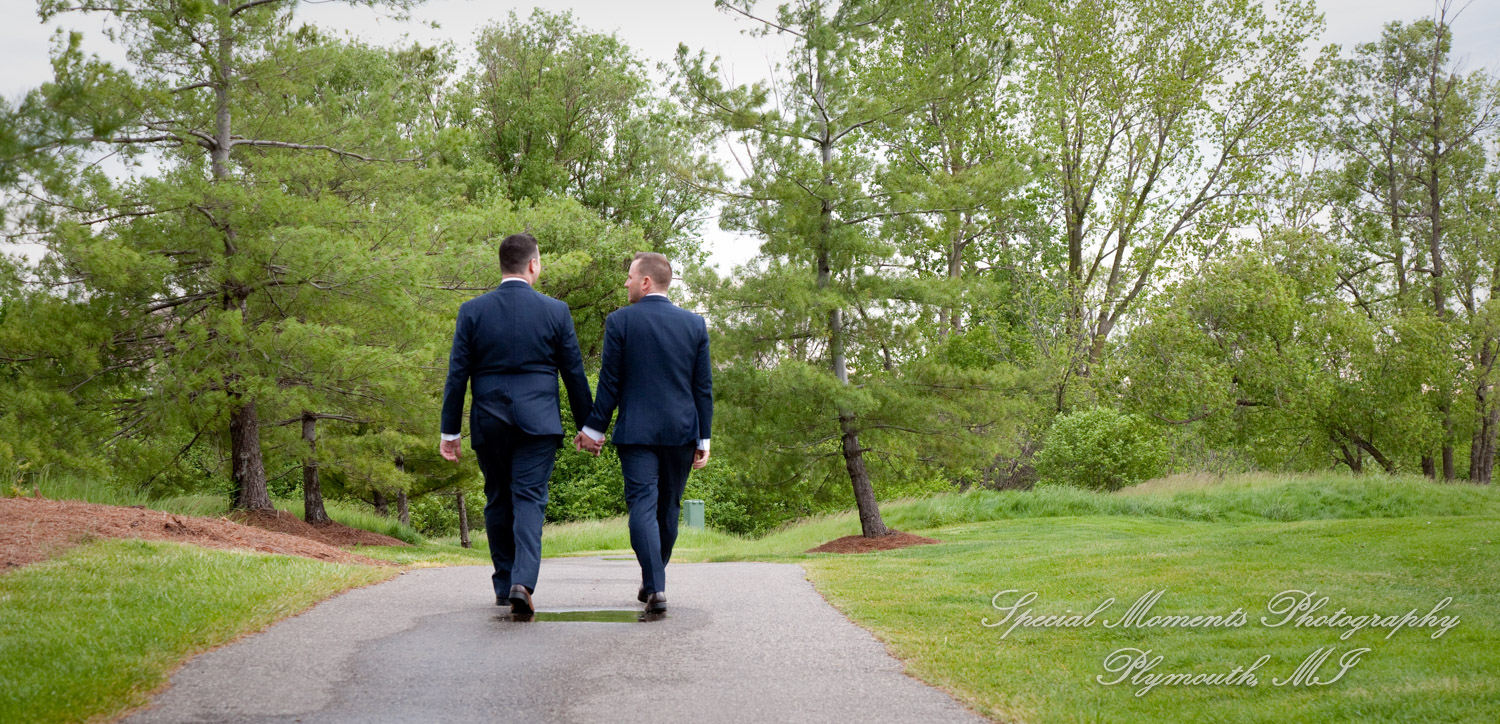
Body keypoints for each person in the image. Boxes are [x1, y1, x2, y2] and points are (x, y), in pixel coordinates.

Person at [440, 232, 592, 615]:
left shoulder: (472, 311)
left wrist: (450, 431)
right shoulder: (555, 311)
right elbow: (573, 373)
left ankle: (505, 581)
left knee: (497, 497)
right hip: (538, 421)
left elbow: (457, 375)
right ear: (532, 265)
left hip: (489, 420)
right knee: (529, 498)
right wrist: (590, 426)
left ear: (501, 265)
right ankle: (522, 583)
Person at [576, 252, 712, 613]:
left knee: (642, 506)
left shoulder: (620, 322)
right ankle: (655, 583)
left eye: (630, 277)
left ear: (646, 281)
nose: (626, 283)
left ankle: (654, 584)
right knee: (668, 509)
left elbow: (610, 385)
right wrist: (704, 438)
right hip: (682, 432)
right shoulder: (695, 324)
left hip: (636, 432)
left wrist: (592, 429)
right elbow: (703, 389)